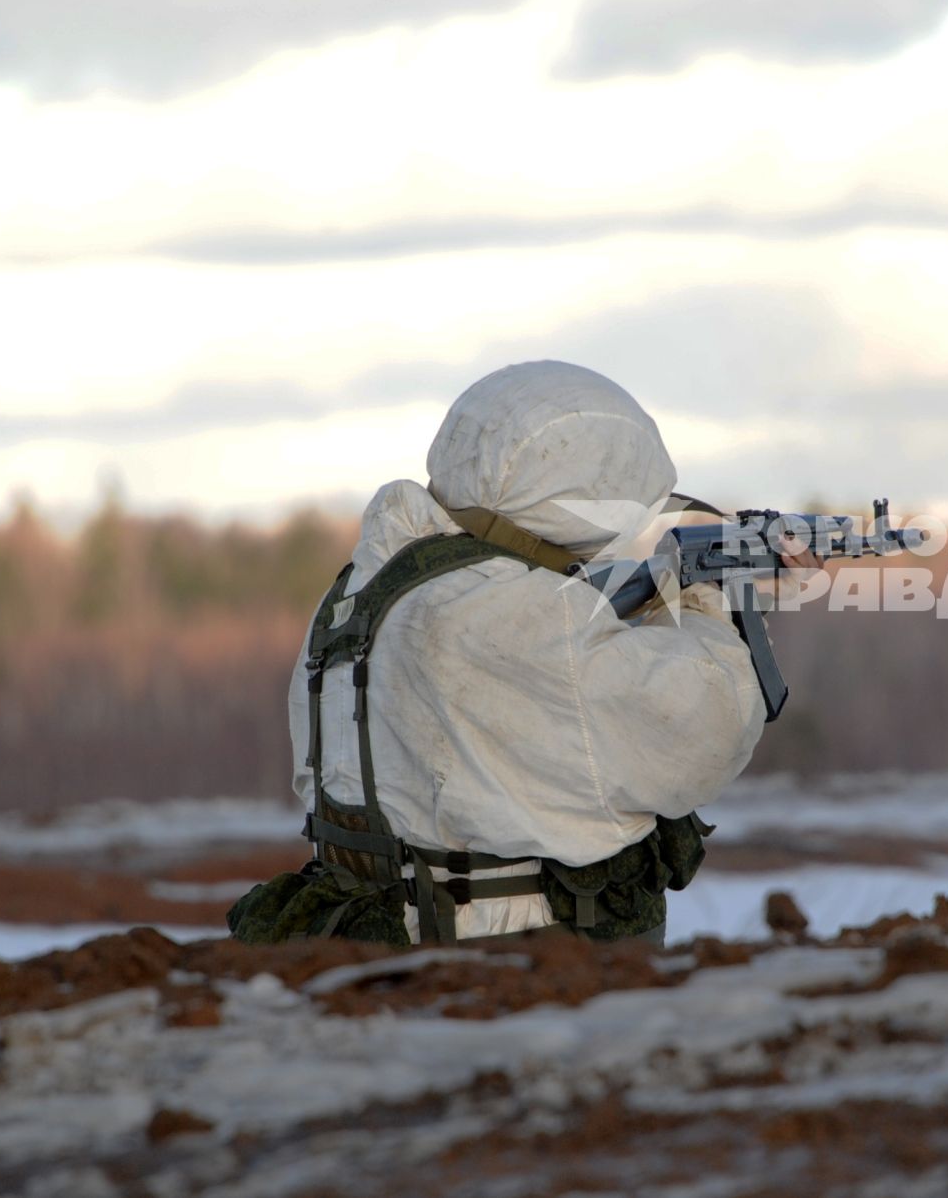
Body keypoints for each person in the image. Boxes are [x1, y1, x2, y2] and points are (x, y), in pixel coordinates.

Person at [229, 360, 783, 946]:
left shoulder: (368, 585)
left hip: (380, 932)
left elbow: (542, 672)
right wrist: (708, 604)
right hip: (507, 947)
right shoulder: (510, 613)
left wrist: (659, 595)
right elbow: (701, 724)